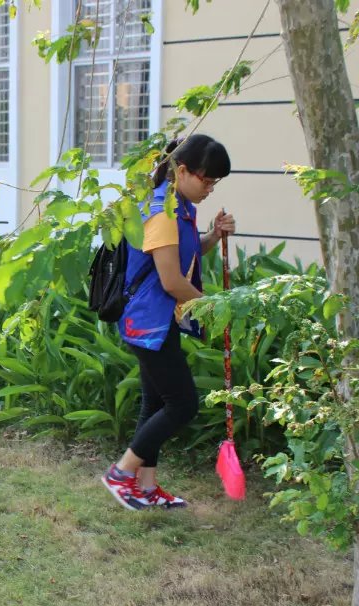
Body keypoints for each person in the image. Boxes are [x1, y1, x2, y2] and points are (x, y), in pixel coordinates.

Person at [101, 134, 236, 510]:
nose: (210, 189)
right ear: (182, 171)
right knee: (182, 404)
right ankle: (122, 473)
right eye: (206, 180)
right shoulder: (161, 210)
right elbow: (171, 281)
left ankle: (146, 486)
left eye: (215, 184)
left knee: (156, 400)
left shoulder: (181, 206)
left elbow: (184, 257)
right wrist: (217, 307)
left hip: (161, 319)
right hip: (146, 322)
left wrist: (213, 235)